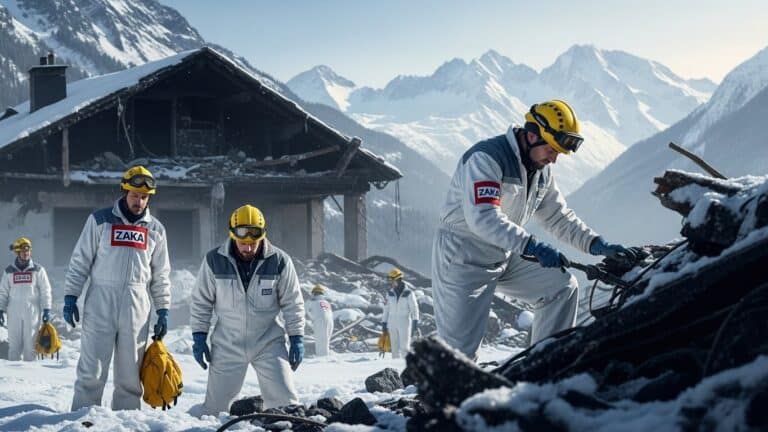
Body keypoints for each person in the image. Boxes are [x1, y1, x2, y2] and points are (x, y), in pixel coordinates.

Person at [431, 99, 636, 359]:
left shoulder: (540, 170)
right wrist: (531, 245)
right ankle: (446, 398)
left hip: (505, 251)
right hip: (463, 256)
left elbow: (558, 217)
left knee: (561, 288)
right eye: (552, 150)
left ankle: (545, 367)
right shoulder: (486, 159)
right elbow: (483, 218)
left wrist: (595, 243)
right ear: (531, 136)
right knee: (459, 353)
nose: (555, 159)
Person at [64, 165, 171, 410]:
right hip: (101, 299)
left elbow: (161, 274)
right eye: (134, 195)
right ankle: (83, 419)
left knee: (130, 375)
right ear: (124, 191)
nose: (139, 201)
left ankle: (127, 420)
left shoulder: (155, 230)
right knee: (92, 370)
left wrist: (163, 308)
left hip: (137, 304)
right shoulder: (100, 220)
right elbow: (80, 260)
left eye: (144, 197)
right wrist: (71, 295)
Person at [190, 204, 305, 415]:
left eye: (253, 243)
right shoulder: (214, 261)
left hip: (268, 343)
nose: (248, 248)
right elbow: (201, 302)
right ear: (232, 235)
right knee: (214, 411)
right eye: (243, 242)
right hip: (227, 345)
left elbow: (293, 302)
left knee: (286, 404)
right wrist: (199, 336)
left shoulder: (280, 261)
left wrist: (297, 337)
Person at [0, 237, 52, 361]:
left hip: (32, 311)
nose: (26, 253)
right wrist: (0, 309)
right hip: (13, 311)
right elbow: (3, 292)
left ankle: (30, 378)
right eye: (23, 251)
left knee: (30, 348)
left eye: (28, 250)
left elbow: (46, 290)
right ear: (17, 252)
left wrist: (47, 309)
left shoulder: (38, 270)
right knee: (14, 347)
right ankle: (13, 379)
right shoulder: (9, 271)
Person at [381, 268, 420, 359]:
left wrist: (415, 323)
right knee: (394, 349)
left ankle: (405, 368)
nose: (391, 283)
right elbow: (386, 309)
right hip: (392, 323)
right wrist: (384, 323)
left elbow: (414, 309)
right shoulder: (390, 293)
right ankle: (395, 370)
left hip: (404, 323)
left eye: (392, 281)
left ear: (398, 280)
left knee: (404, 348)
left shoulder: (409, 293)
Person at [306, 284, 334, 357]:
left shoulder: (312, 301)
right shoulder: (326, 302)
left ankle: (321, 360)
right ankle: (326, 357)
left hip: (320, 320)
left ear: (314, 293)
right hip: (330, 321)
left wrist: (312, 318)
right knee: (326, 342)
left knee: (320, 342)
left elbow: (304, 310)